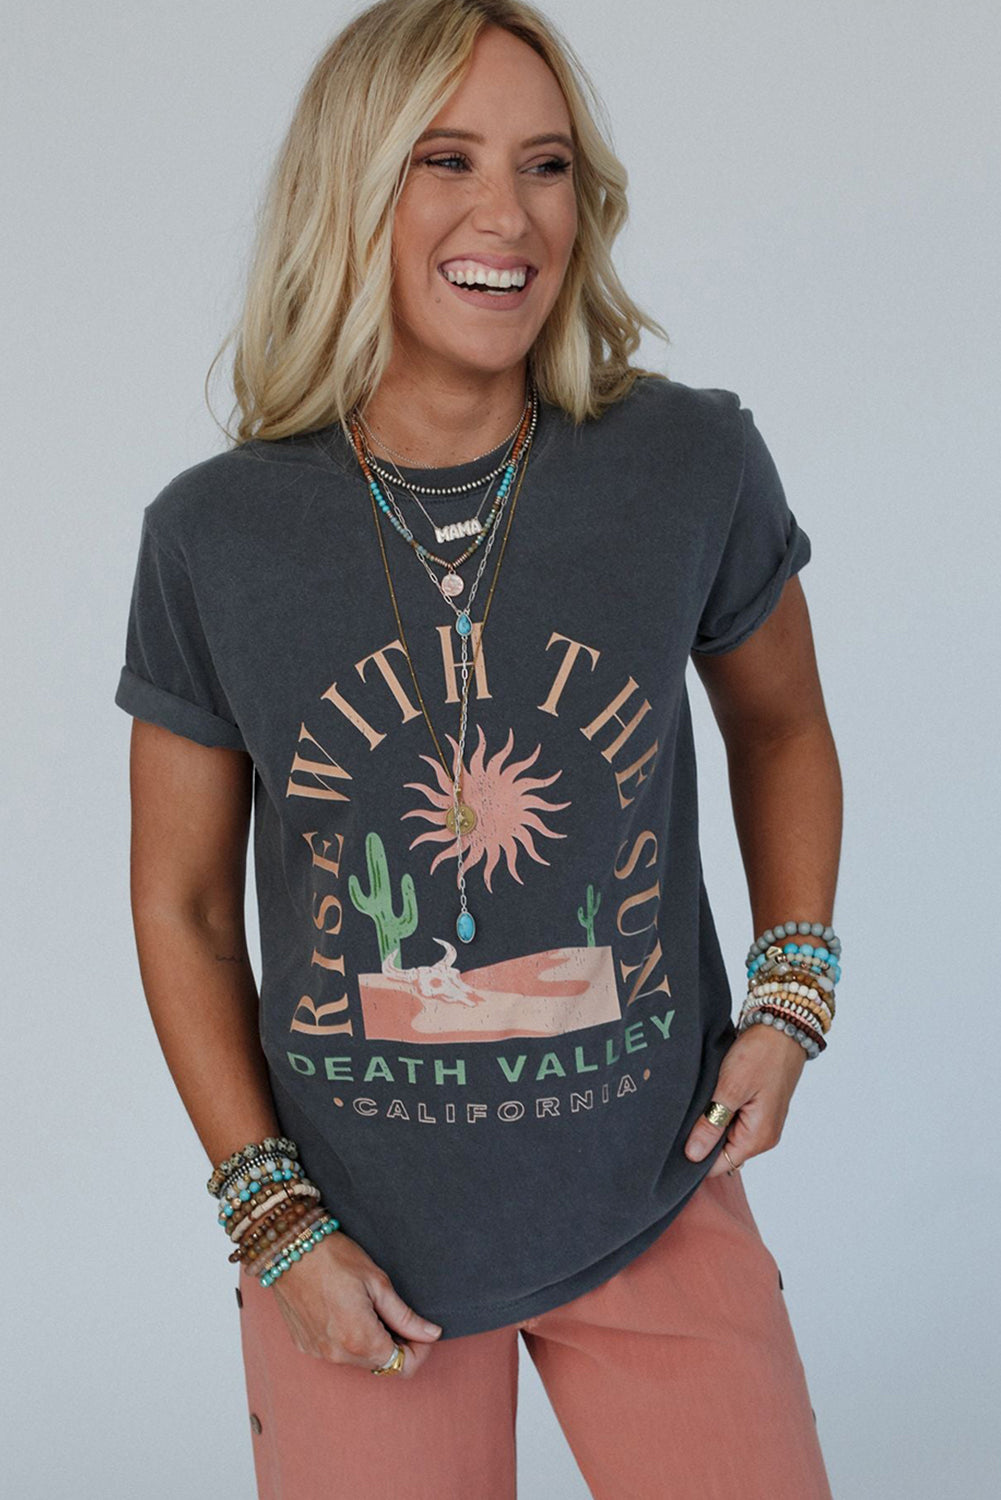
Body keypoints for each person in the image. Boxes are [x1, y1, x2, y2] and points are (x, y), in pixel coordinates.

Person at [114, 2, 842, 1495]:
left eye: (545, 165)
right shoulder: (214, 536)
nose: (506, 215)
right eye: (442, 160)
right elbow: (180, 905)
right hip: (354, 1257)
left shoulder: (686, 462)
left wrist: (792, 995)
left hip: (657, 1197)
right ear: (350, 189)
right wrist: (274, 1221)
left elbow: (780, 723)